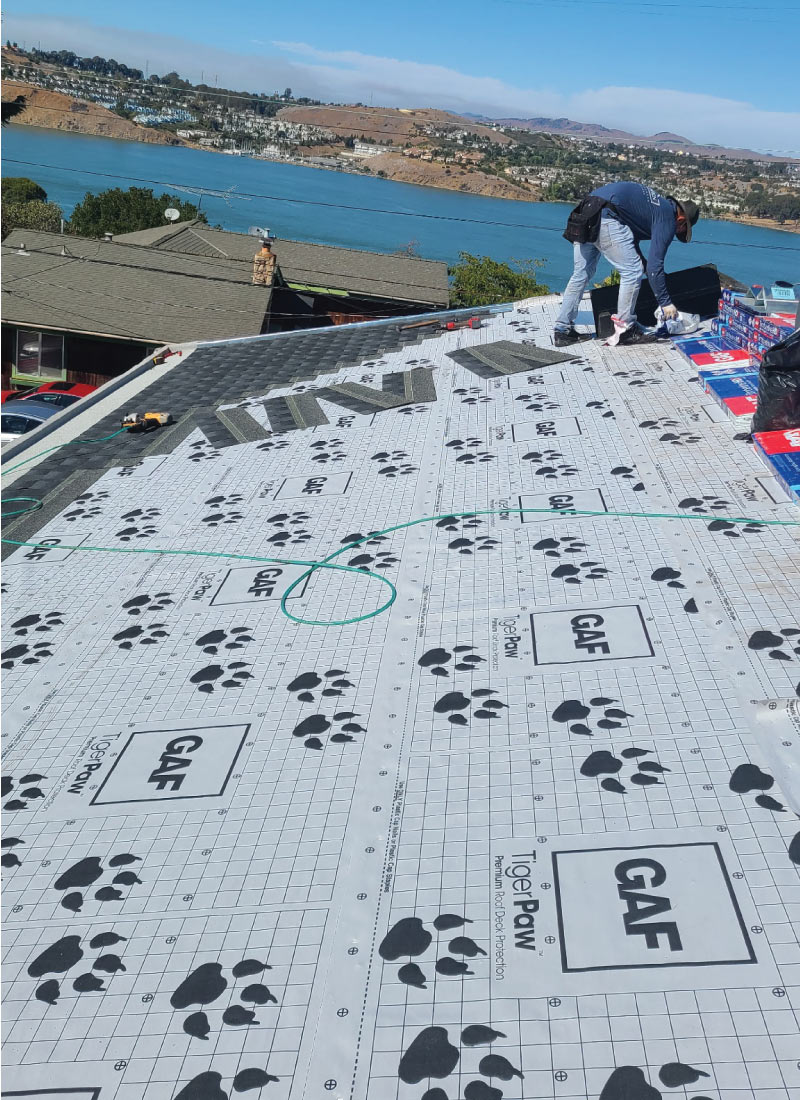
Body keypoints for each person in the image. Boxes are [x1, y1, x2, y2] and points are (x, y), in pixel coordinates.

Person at [553, 182, 699, 346]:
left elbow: (632, 244)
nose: (677, 233)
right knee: (632, 272)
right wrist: (665, 303)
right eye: (682, 229)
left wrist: (647, 268)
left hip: (585, 212)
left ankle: (562, 330)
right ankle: (625, 330)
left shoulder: (654, 206)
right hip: (606, 216)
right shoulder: (667, 218)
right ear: (681, 220)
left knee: (581, 274)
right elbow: (654, 266)